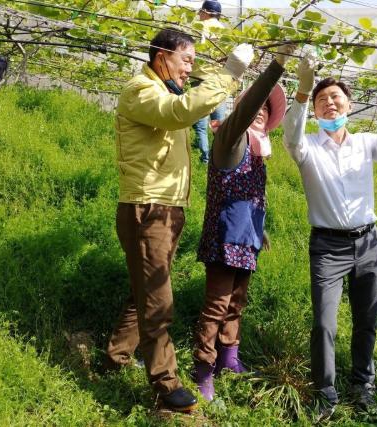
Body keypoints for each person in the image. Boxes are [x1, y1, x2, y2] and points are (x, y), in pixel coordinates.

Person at [105, 28, 253, 413]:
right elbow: (178, 113)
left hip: (166, 208)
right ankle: (166, 384)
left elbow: (188, 101)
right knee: (158, 300)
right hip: (147, 208)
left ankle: (116, 357)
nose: (190, 69)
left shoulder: (166, 89)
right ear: (161, 57)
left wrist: (221, 76)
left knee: (145, 291)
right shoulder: (141, 90)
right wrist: (229, 73)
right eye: (186, 60)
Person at [282, 54, 377, 418]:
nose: (329, 102)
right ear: (315, 110)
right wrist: (302, 91)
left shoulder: (365, 143)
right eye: (322, 99)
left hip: (368, 243)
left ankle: (363, 386)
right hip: (328, 246)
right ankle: (325, 393)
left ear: (349, 104)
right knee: (324, 323)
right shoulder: (307, 147)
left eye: (336, 97)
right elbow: (291, 134)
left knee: (366, 320)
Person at [192, 45, 294, 401]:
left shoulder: (257, 153)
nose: (261, 112)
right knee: (216, 305)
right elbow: (248, 107)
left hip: (246, 240)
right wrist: (277, 66)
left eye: (267, 110)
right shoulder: (230, 141)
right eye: (256, 107)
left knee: (236, 303)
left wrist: (258, 230)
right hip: (224, 240)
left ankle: (228, 359)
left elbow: (248, 198)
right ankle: (203, 369)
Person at [191, 0, 226, 163]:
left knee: (200, 123)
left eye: (200, 12)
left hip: (200, 80)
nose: (199, 15)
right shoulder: (225, 32)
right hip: (219, 82)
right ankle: (220, 159)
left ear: (206, 12)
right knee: (218, 124)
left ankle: (204, 159)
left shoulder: (198, 27)